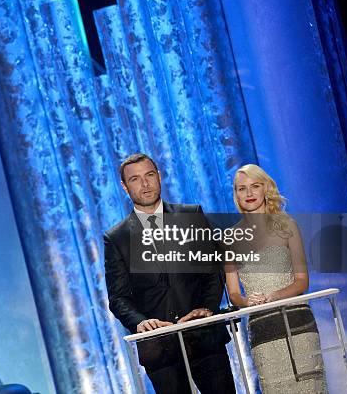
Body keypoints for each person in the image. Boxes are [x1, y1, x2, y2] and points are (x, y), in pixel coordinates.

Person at [104, 153, 235, 394]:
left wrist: (206, 309)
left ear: (159, 177)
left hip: (204, 336)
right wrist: (141, 322)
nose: (145, 184)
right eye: (135, 179)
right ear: (124, 187)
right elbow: (118, 298)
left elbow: (212, 271)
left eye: (149, 175)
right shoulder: (117, 238)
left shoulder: (191, 216)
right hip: (160, 348)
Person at [225, 164, 327, 393]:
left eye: (255, 186)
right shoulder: (229, 238)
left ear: (265, 189)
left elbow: (302, 281)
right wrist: (246, 301)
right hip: (263, 328)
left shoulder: (287, 225)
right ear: (236, 194)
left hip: (298, 320)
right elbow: (233, 294)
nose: (249, 194)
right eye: (242, 188)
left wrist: (275, 296)